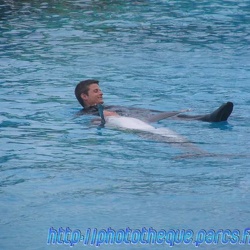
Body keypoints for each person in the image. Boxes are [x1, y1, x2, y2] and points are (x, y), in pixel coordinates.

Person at [75, 79, 233, 122]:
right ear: (84, 96)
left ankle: (206, 117)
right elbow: (105, 116)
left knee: (171, 115)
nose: (101, 93)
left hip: (139, 113)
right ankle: (207, 118)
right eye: (96, 91)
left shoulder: (103, 106)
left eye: (100, 90)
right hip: (136, 118)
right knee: (175, 118)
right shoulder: (88, 112)